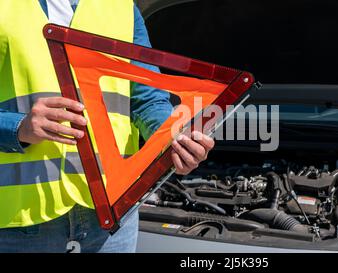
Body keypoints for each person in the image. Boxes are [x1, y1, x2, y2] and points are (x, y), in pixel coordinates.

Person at [0, 0, 214, 253]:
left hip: (113, 217)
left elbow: (146, 97)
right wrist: (18, 127)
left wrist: (172, 136)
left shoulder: (121, 7)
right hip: (20, 220)